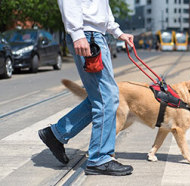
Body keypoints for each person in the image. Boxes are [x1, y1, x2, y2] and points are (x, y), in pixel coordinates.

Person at [38, 0, 134, 176]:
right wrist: (77, 33)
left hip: (95, 35)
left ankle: (56, 134)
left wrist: (117, 32)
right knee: (107, 98)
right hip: (87, 35)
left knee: (102, 97)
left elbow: (100, 6)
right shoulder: (82, 33)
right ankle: (99, 158)